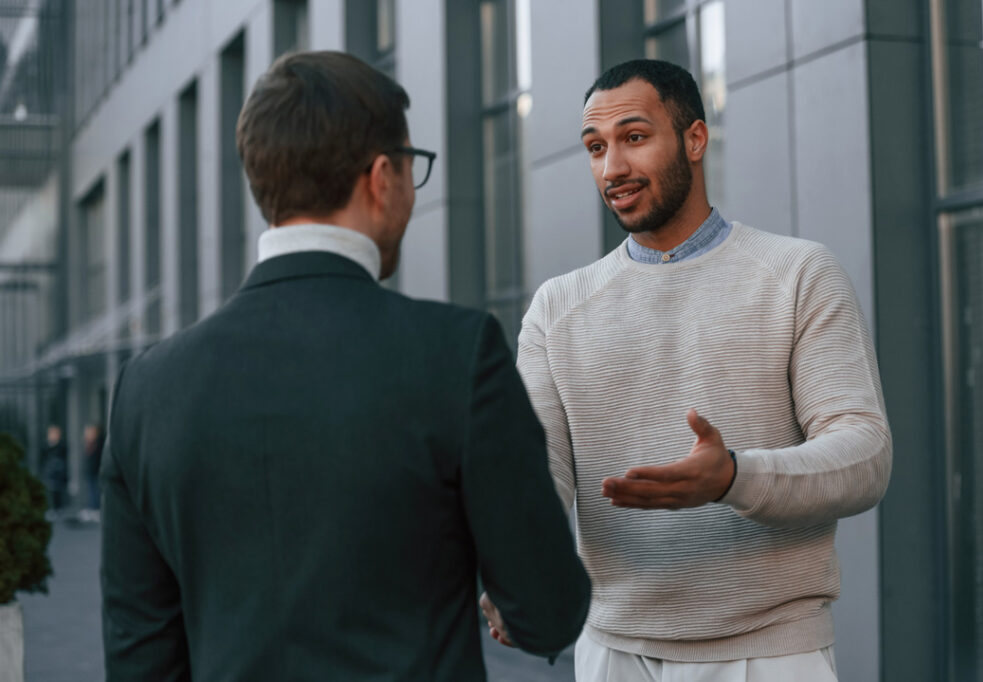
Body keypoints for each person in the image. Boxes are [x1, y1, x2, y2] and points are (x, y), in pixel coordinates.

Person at [100, 51, 589, 681]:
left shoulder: (145, 390)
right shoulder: (455, 353)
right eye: (414, 168)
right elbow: (548, 610)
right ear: (382, 176)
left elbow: (140, 658)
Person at [505, 59, 893, 681]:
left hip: (769, 653)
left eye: (634, 138)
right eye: (595, 147)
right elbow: (536, 473)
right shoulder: (557, 306)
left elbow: (865, 457)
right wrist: (515, 570)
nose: (612, 169)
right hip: (611, 652)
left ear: (694, 138)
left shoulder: (797, 274)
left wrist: (734, 476)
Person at [40, 424, 67, 521]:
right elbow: (42, 458)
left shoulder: (62, 445)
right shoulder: (46, 445)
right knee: (50, 490)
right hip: (50, 472)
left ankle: (59, 508)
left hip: (59, 472)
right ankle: (52, 508)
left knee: (58, 490)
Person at [79, 424, 104, 522]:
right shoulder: (89, 444)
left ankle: (96, 510)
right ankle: (92, 509)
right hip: (90, 471)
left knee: (95, 491)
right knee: (91, 491)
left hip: (96, 471)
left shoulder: (99, 444)